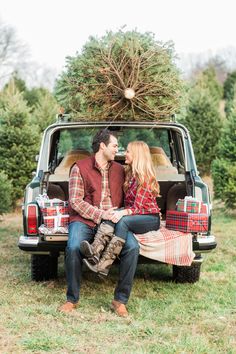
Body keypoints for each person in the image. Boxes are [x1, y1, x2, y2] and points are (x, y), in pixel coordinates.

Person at [59, 129, 140, 317]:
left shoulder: (121, 170)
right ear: (102, 146)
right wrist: (102, 214)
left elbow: (133, 192)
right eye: (114, 146)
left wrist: (123, 213)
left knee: (132, 248)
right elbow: (76, 202)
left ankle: (120, 300)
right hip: (85, 220)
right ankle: (72, 299)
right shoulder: (79, 167)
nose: (117, 150)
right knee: (73, 248)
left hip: (114, 222)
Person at [81, 141, 161, 277]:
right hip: (135, 215)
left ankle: (104, 265)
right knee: (113, 214)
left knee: (123, 220)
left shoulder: (145, 178)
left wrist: (123, 212)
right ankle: (95, 252)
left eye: (128, 151)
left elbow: (137, 208)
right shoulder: (130, 175)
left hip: (150, 218)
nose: (125, 153)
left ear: (137, 155)